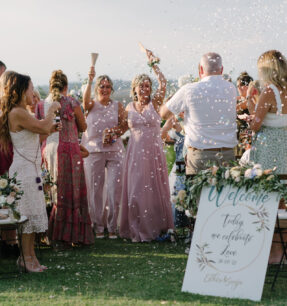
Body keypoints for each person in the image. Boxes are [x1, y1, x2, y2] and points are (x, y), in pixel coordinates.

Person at [105, 49, 174, 242]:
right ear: (134, 89)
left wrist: (153, 64)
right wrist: (111, 134)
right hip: (134, 153)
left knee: (153, 190)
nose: (145, 89)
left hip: (153, 153)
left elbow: (164, 83)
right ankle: (135, 229)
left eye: (147, 86)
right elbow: (120, 131)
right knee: (135, 190)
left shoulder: (156, 102)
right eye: (141, 86)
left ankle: (155, 228)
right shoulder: (128, 108)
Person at [0, 71, 61, 272]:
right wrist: (51, 109)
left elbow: (37, 136)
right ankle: (26, 259)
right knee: (26, 217)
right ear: (20, 90)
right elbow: (42, 126)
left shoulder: (22, 112)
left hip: (31, 168)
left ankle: (30, 258)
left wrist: (48, 131)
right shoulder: (17, 113)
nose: (33, 91)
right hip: (23, 171)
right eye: (30, 88)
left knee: (33, 215)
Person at [160, 52, 237, 175]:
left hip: (200, 157)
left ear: (201, 69)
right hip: (227, 156)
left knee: (197, 194)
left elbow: (163, 114)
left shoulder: (189, 89)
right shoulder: (231, 88)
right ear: (221, 69)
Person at [248, 50, 287, 264]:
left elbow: (256, 124)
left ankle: (272, 252)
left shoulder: (269, 91)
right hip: (284, 145)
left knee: (268, 197)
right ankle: (282, 251)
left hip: (269, 148)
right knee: (283, 199)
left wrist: (249, 107)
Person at [48, 70, 94, 247]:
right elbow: (83, 126)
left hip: (54, 150)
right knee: (75, 191)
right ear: (66, 85)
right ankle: (75, 235)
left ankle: (58, 235)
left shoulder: (47, 103)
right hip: (71, 150)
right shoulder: (72, 102)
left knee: (59, 190)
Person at [81, 71, 125, 239]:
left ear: (111, 89)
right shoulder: (91, 104)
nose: (105, 89)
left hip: (115, 151)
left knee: (115, 189)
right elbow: (84, 103)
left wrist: (115, 133)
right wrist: (90, 79)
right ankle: (98, 226)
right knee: (95, 190)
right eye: (102, 86)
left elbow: (123, 126)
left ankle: (112, 226)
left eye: (108, 87)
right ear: (96, 88)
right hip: (94, 151)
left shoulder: (117, 105)